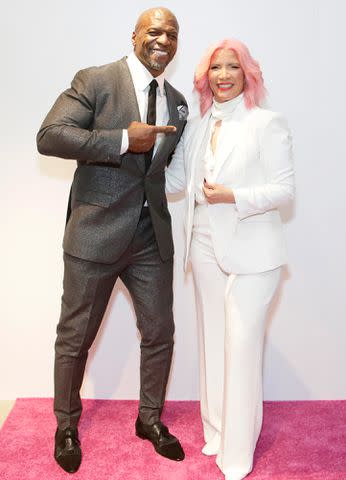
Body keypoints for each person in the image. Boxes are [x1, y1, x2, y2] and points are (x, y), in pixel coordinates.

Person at [37, 7, 188, 474]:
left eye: (172, 34)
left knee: (160, 333)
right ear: (135, 35)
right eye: (154, 31)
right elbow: (50, 136)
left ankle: (149, 419)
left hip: (150, 238)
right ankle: (65, 425)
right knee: (75, 336)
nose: (163, 40)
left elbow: (168, 172)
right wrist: (123, 139)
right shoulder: (97, 79)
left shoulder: (179, 101)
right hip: (95, 234)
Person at [166, 39, 294, 480]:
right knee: (212, 343)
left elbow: (284, 191)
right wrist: (128, 154)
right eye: (215, 68)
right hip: (202, 242)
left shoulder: (266, 123)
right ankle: (218, 431)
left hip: (254, 253)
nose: (223, 75)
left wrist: (233, 196)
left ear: (247, 74)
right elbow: (178, 179)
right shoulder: (200, 125)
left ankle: (237, 455)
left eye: (232, 67)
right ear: (205, 77)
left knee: (240, 348)